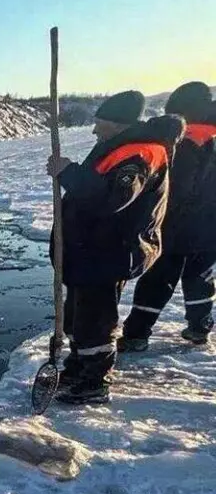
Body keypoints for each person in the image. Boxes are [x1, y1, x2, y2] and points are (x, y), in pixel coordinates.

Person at [46, 90, 184, 404]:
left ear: (118, 124)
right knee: (78, 316)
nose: (95, 130)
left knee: (94, 320)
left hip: (109, 252)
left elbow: (112, 199)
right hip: (92, 250)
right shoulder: (120, 147)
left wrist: (68, 172)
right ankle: (79, 367)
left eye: (101, 123)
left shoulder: (139, 155)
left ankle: (94, 381)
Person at [120, 83, 216, 350]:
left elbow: (179, 187)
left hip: (176, 225)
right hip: (210, 226)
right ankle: (200, 328)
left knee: (157, 278)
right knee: (201, 277)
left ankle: (136, 335)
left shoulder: (186, 140)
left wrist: (155, 211)